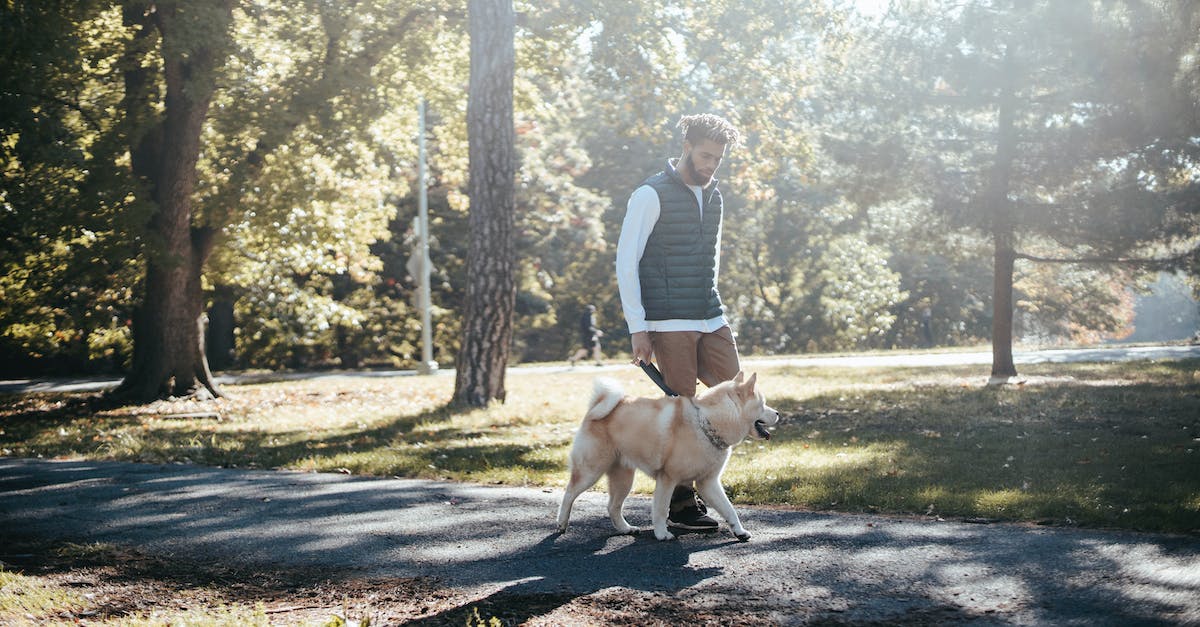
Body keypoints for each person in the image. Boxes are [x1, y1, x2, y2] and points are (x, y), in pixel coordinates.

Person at [615, 113, 742, 532]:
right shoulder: (651, 194)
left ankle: (705, 475)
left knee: (738, 392)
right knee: (681, 407)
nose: (711, 165)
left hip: (709, 311)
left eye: (718, 159)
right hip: (668, 319)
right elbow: (626, 262)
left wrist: (713, 299)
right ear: (686, 146)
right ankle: (682, 501)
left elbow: (713, 255)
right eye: (705, 155)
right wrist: (639, 327)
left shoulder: (716, 195)